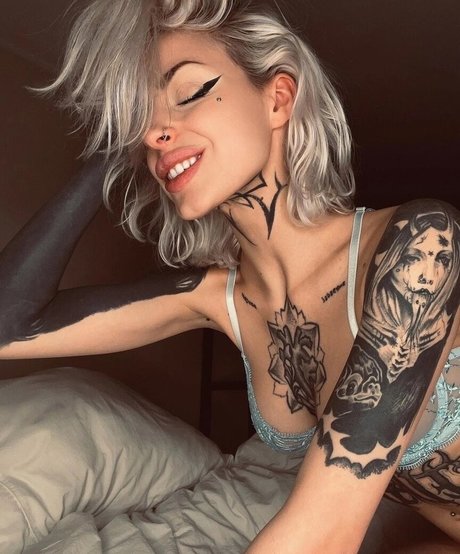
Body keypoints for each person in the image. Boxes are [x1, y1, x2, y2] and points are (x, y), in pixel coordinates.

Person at [0, 0, 459, 551]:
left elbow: (326, 531)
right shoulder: (220, 297)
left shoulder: (420, 244)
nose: (155, 133)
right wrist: (116, 139)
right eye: (140, 119)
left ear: (277, 98)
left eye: (189, 92)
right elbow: (10, 325)